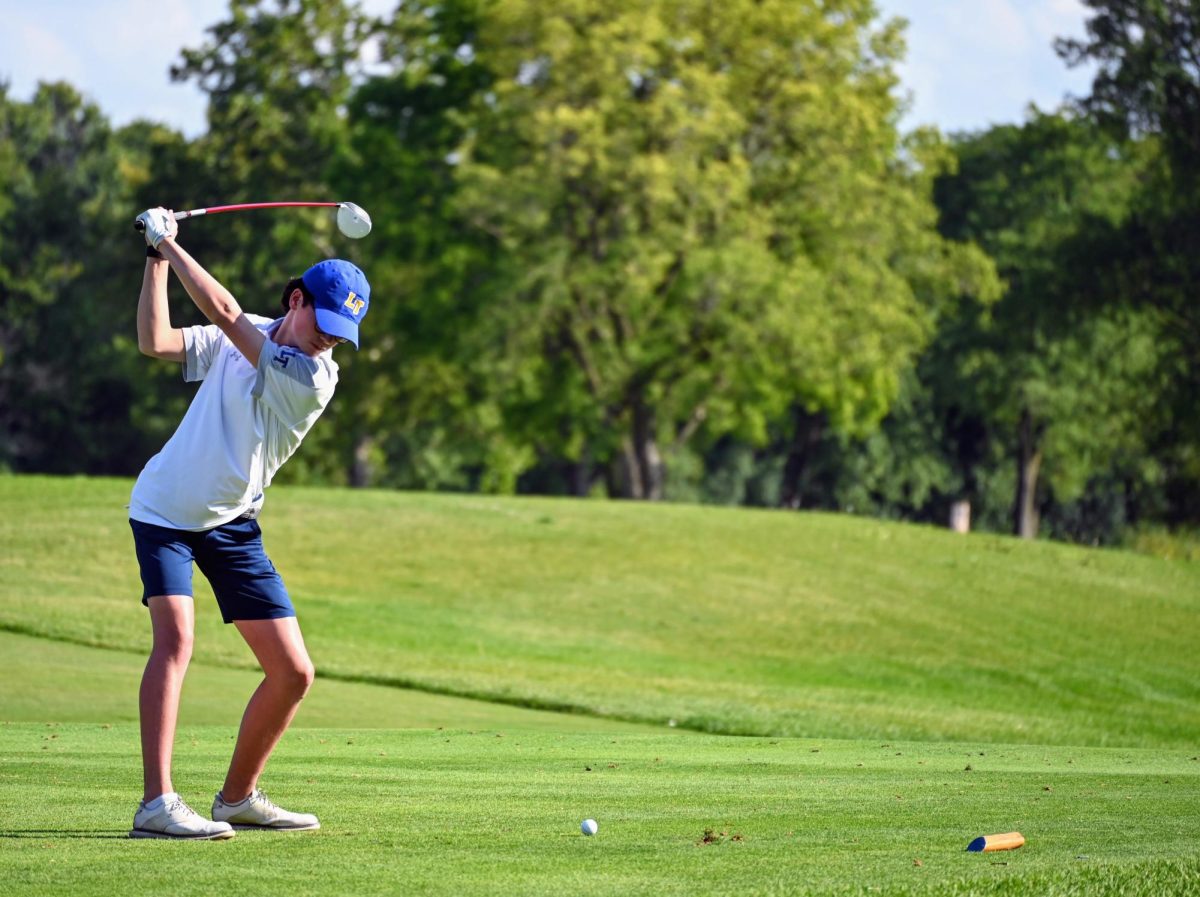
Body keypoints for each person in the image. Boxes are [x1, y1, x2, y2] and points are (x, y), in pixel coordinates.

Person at [126, 207, 370, 840]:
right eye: (327, 322)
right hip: (164, 513)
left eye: (344, 334)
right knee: (176, 641)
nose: (331, 339)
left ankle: (236, 798)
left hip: (231, 522)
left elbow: (227, 315)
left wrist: (172, 245)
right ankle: (157, 803)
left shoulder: (315, 378)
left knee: (293, 673)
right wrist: (155, 258)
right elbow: (157, 341)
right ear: (297, 299)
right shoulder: (250, 336)